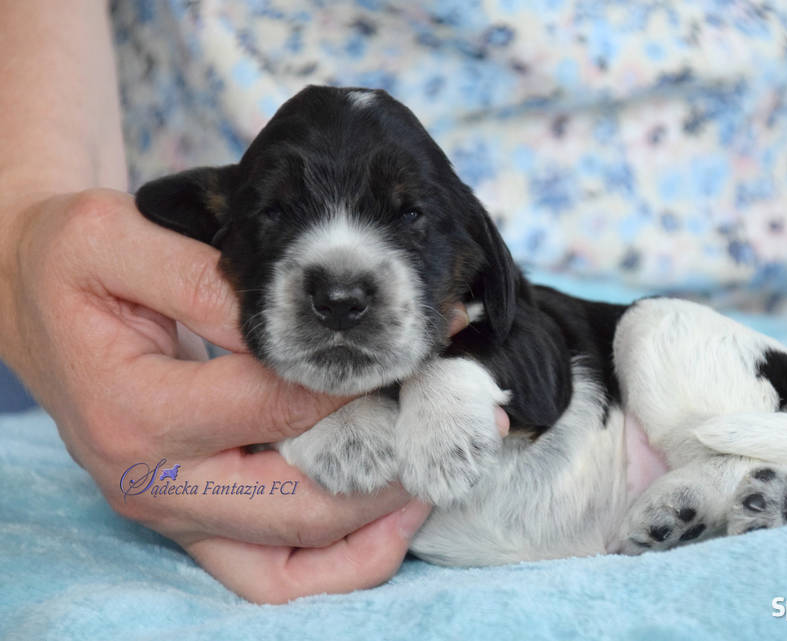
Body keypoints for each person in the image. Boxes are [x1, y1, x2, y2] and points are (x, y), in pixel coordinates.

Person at [0, 0, 510, 604]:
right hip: (178, 320)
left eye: (407, 215)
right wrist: (23, 229)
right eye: (276, 211)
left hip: (612, 270)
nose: (342, 293)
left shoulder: (492, 286)